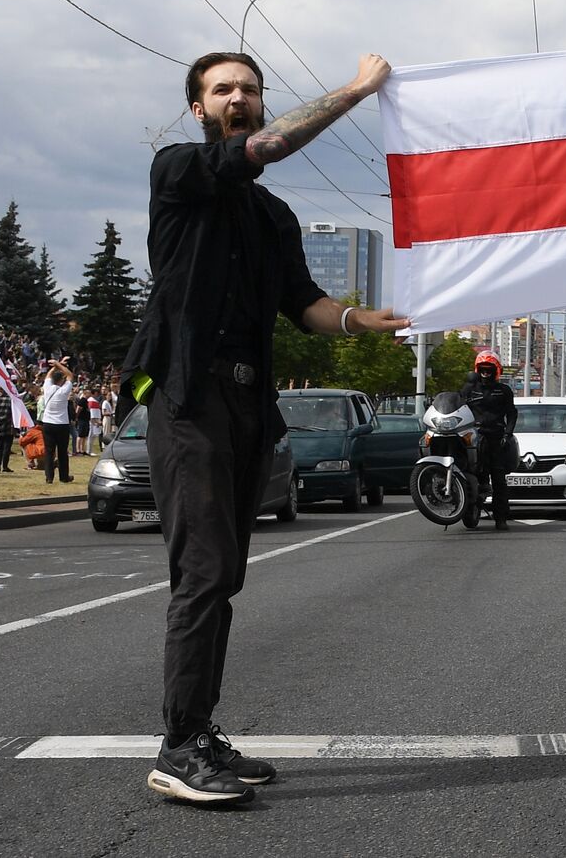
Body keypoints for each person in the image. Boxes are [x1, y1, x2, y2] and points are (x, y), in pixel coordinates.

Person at [124, 50, 410, 805]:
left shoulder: (271, 215)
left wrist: (358, 321)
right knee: (205, 573)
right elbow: (270, 146)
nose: (239, 98)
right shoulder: (177, 171)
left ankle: (201, 730)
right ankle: (179, 746)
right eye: (223, 89)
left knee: (226, 576)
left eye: (249, 88)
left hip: (251, 407)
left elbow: (303, 303)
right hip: (189, 401)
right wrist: (356, 91)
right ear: (198, 107)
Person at [460, 349, 517, 531]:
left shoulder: (503, 390)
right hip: (473, 438)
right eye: (483, 368)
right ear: (477, 369)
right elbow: (457, 407)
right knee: (465, 469)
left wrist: (507, 434)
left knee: (499, 479)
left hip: (495, 438)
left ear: (496, 369)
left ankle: (501, 518)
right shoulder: (469, 389)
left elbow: (512, 414)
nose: (486, 372)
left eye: (489, 368)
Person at [40, 358, 75, 484]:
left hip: (48, 423)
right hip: (61, 424)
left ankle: (49, 477)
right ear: (61, 380)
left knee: (49, 452)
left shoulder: (47, 387)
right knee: (62, 452)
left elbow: (49, 375)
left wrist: (56, 365)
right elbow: (70, 375)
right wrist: (60, 364)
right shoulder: (64, 390)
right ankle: (63, 476)